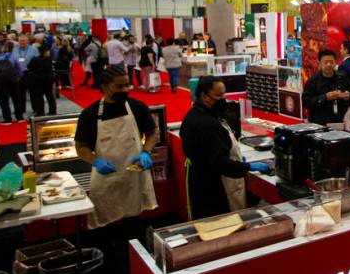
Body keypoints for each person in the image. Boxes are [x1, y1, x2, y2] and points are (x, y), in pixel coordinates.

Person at [74, 66, 158, 229]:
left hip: (134, 172)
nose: (125, 90)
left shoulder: (137, 107)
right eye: (119, 87)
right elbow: (81, 147)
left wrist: (146, 152)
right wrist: (96, 161)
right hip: (106, 178)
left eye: (127, 85)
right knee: (107, 224)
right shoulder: (90, 114)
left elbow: (152, 132)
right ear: (105, 86)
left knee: (134, 222)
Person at [180, 76, 272, 218]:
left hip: (201, 182)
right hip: (214, 189)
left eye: (224, 94)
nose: (223, 99)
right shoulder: (206, 124)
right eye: (218, 95)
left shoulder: (199, 115)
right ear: (204, 97)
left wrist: (236, 157)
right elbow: (220, 163)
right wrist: (247, 167)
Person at [302, 49, 350, 125]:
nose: (329, 65)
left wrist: (349, 95)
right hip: (319, 123)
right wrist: (325, 97)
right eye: (326, 62)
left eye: (331, 62)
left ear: (335, 63)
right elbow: (306, 102)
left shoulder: (342, 77)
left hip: (340, 122)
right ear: (319, 64)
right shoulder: (313, 80)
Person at [26, 41, 56, 116]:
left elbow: (29, 67)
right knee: (49, 95)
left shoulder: (35, 59)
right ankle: (53, 111)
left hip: (37, 80)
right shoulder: (48, 59)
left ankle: (40, 112)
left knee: (39, 97)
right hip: (48, 79)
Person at [11, 33, 38, 116]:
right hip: (19, 73)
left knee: (33, 92)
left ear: (27, 41)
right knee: (20, 93)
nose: (22, 42)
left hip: (30, 73)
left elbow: (37, 60)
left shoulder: (33, 49)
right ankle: (21, 109)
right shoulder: (15, 49)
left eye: (24, 41)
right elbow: (12, 60)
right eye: (20, 41)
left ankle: (36, 109)